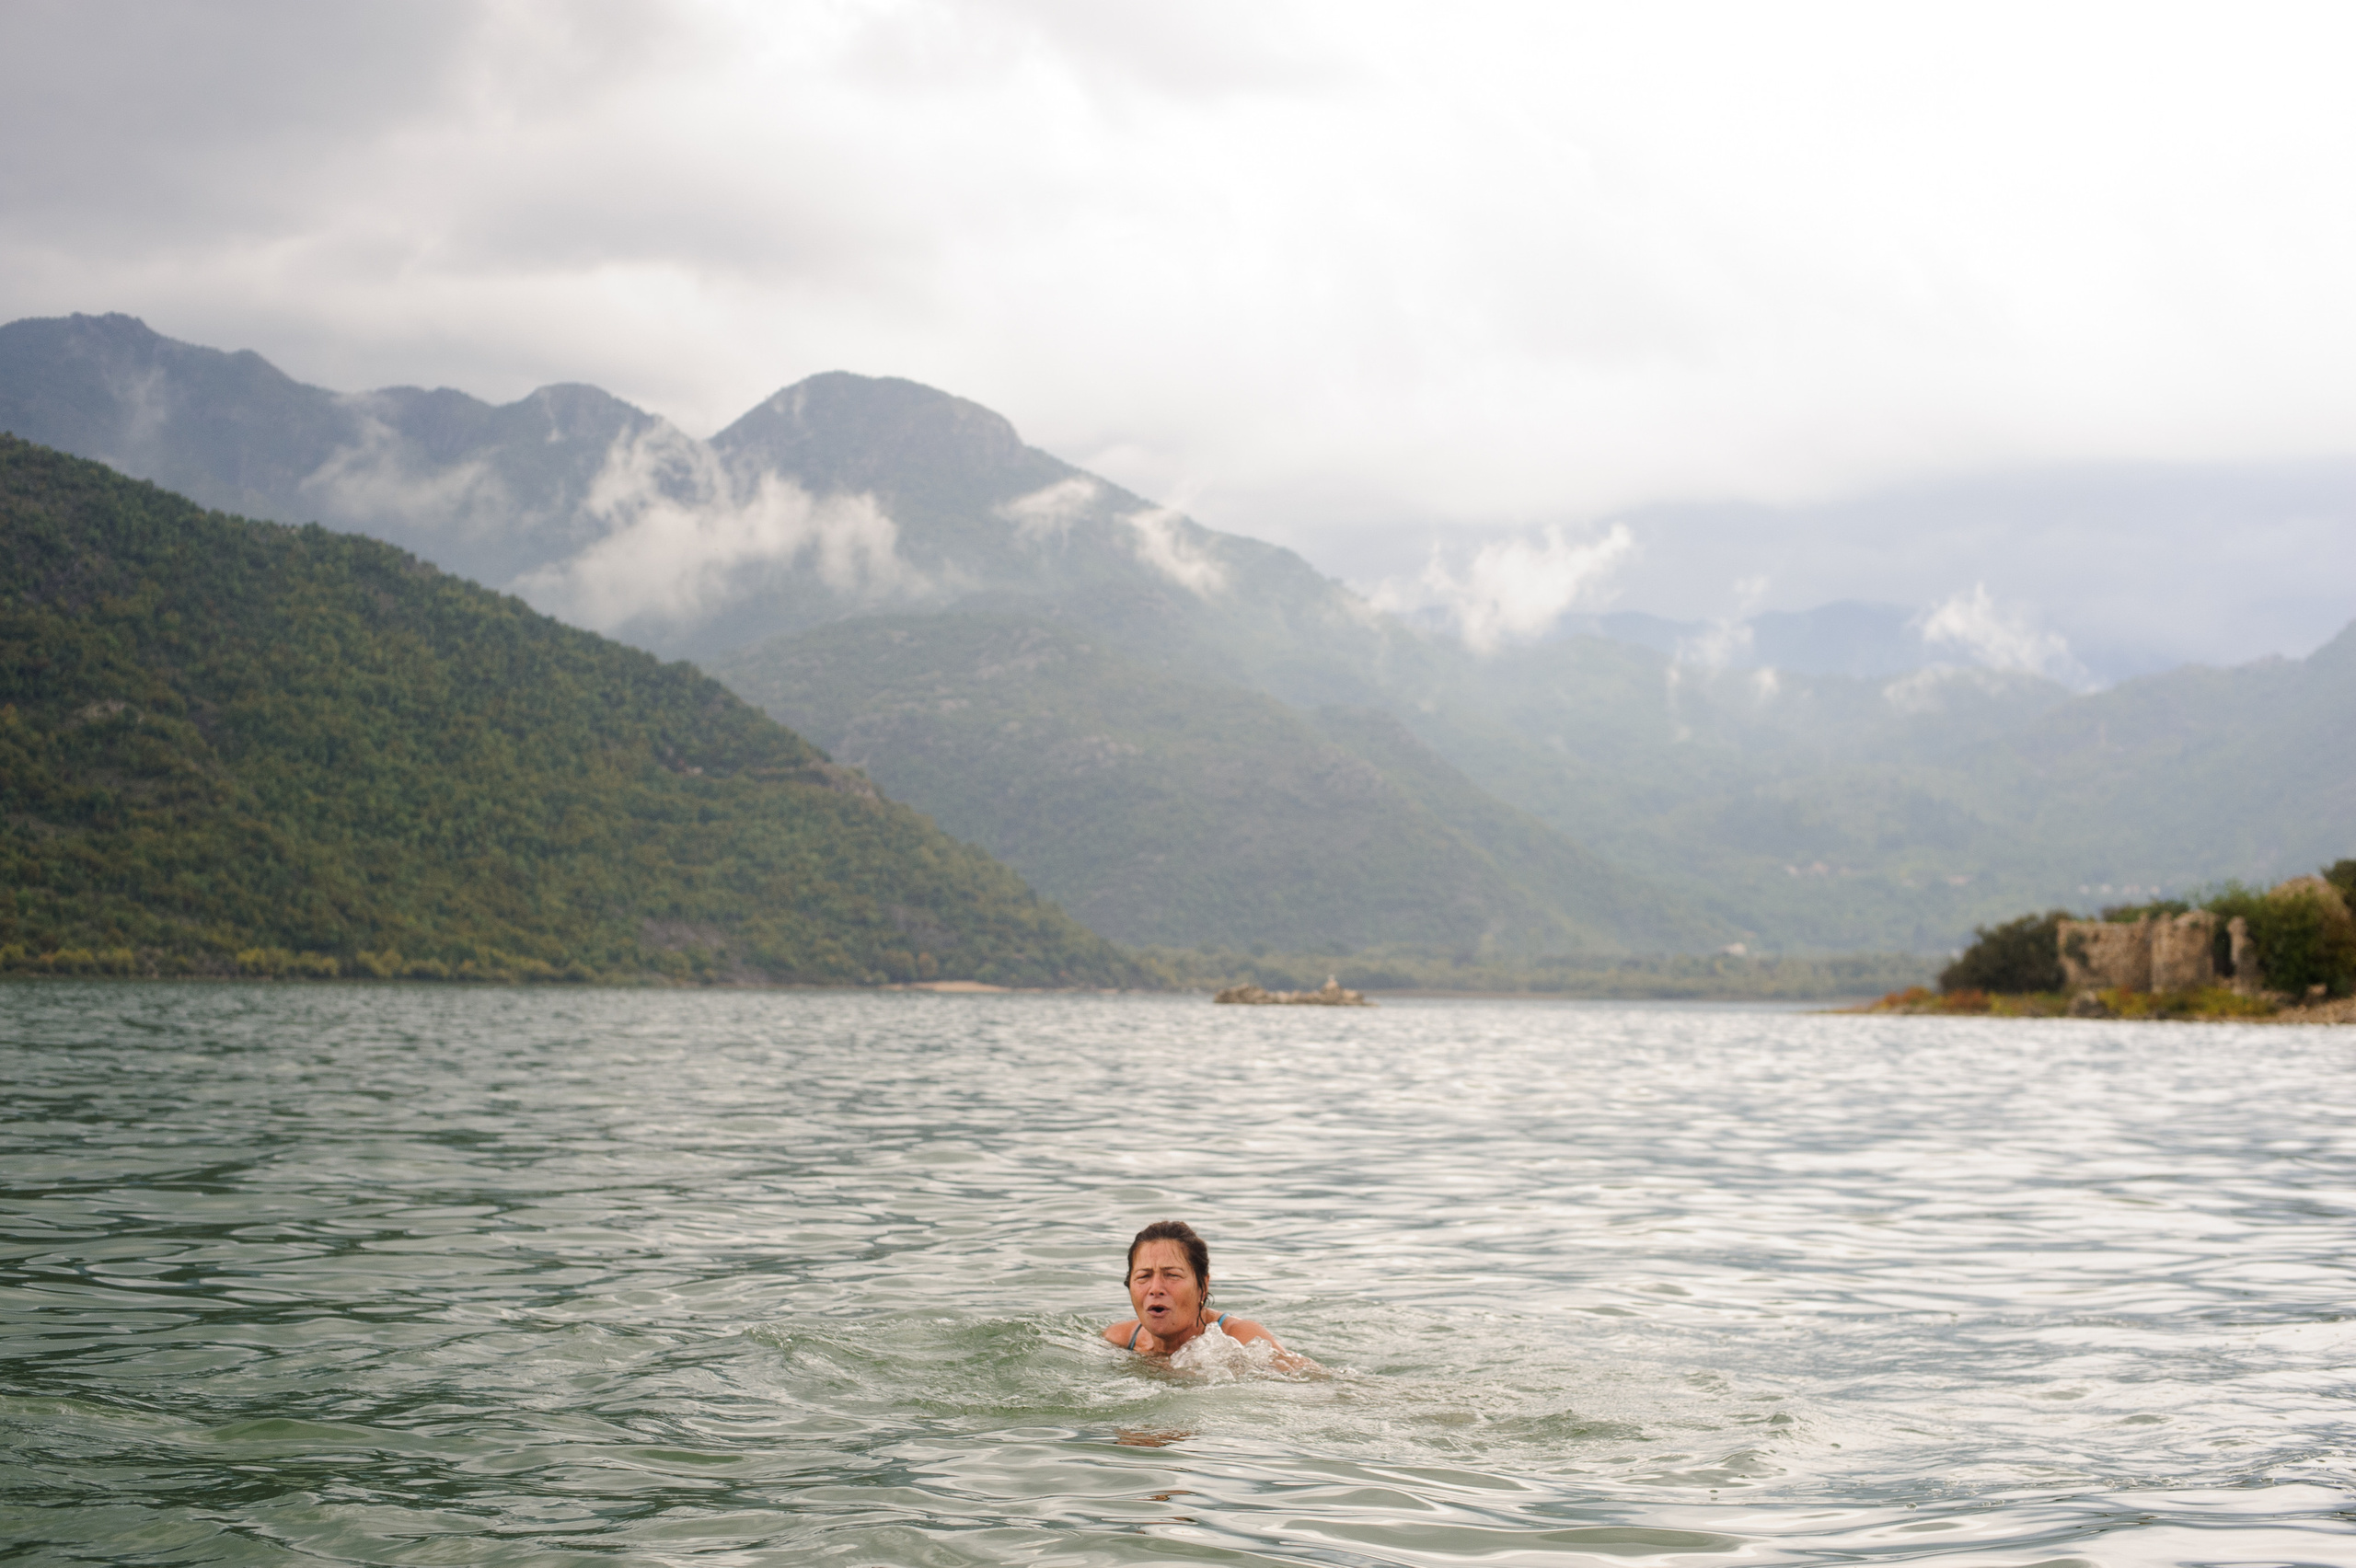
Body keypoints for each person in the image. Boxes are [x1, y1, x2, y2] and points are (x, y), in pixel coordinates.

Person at [1102, 1219, 1304, 1367]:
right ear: (1129, 1285)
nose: (1155, 1288)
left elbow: (1313, 1383)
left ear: (1203, 1286)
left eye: (1172, 1275)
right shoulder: (1118, 1340)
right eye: (1144, 1276)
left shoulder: (1241, 1339)